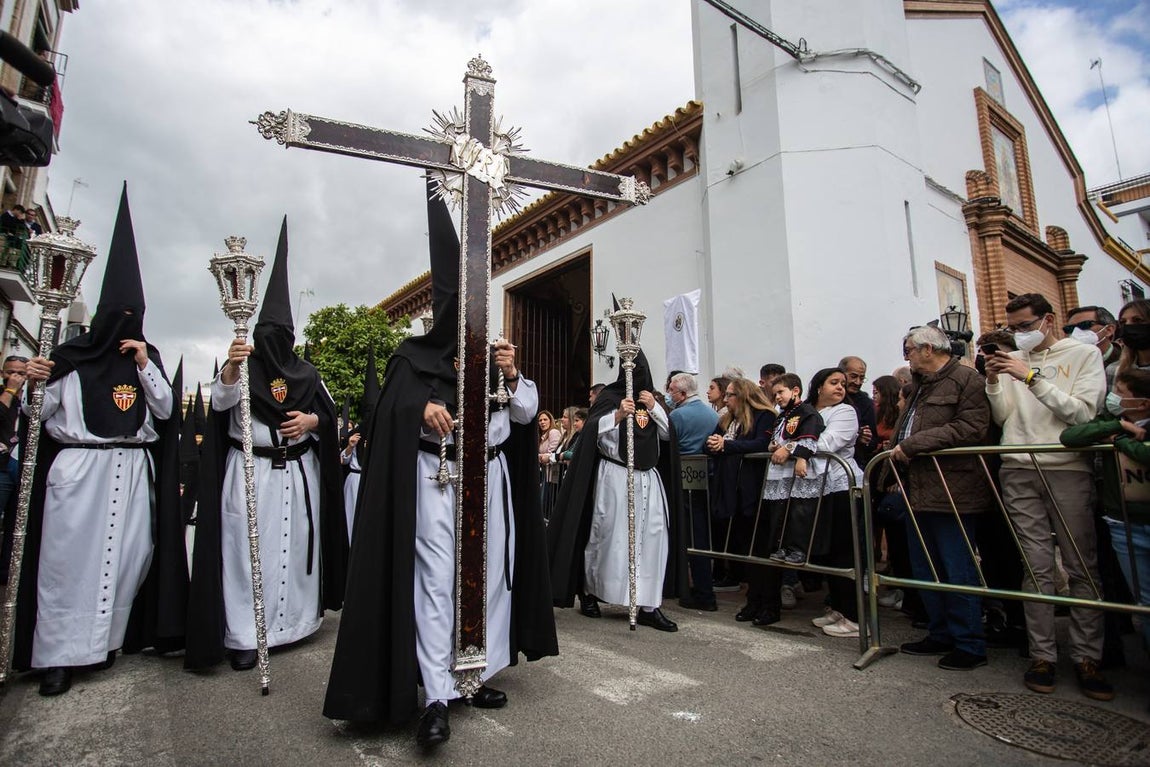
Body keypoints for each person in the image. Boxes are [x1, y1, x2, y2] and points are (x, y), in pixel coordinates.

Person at [323, 188, 556, 747]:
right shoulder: (412, 358)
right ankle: (434, 694)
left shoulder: (493, 359)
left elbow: (525, 414)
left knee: (488, 582)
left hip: (492, 481)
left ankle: (473, 677)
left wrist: (515, 370)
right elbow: (385, 413)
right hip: (436, 482)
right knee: (435, 586)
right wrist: (419, 407)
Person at [12, 187, 184, 696]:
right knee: (68, 562)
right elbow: (39, 417)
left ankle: (106, 642)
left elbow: (166, 411)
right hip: (80, 470)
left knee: (129, 555)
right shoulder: (70, 359)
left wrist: (144, 364)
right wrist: (32, 382)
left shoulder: (145, 359)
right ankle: (57, 656)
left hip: (131, 470)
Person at [186, 219, 347, 673]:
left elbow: (330, 417)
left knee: (294, 549)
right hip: (250, 472)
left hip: (298, 475)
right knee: (244, 550)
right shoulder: (242, 365)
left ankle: (296, 623)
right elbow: (220, 405)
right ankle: (244, 633)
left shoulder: (307, 375)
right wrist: (233, 370)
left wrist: (313, 420)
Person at [984, 292, 1111, 701]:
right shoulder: (1012, 361)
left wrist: (1030, 378)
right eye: (1013, 328)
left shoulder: (1082, 356)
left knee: (1080, 564)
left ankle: (1088, 656)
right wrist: (994, 380)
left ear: (1048, 320)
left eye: (1024, 326)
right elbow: (1004, 416)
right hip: (1019, 465)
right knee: (1035, 565)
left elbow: (1083, 414)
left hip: (1065, 466)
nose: (1019, 334)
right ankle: (1043, 655)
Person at [548, 350, 686, 631]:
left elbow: (667, 436)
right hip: (615, 477)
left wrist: (656, 409)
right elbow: (590, 435)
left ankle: (648, 603)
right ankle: (590, 591)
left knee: (652, 540)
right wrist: (618, 415)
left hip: (648, 479)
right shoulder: (610, 399)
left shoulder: (653, 403)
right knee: (609, 538)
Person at [890, 325, 993, 670]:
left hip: (953, 488)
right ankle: (940, 632)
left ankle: (969, 642)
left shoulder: (967, 380)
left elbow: (971, 427)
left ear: (927, 349)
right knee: (925, 567)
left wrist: (913, 446)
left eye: (908, 350)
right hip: (916, 487)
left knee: (956, 566)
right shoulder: (918, 385)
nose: (906, 357)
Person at [1061, 368, 1150, 665]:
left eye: (1122, 394)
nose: (1114, 398)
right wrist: (1118, 426)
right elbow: (1071, 435)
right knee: (1145, 601)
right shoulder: (1113, 421)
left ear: (1143, 402)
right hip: (1124, 521)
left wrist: (1123, 442)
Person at [704, 376, 783, 622]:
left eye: (730, 395)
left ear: (744, 396)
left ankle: (769, 603)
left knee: (762, 548)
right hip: (732, 490)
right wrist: (715, 444)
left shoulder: (764, 416)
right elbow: (708, 444)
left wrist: (727, 446)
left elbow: (761, 443)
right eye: (725, 395)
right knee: (746, 548)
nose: (725, 400)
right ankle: (753, 601)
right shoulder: (727, 420)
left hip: (755, 489)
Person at [668, 373, 720, 611]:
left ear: (681, 393)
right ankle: (704, 588)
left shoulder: (677, 415)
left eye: (671, 391)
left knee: (689, 535)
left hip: (685, 477)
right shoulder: (712, 413)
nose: (669, 394)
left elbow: (668, 443)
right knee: (703, 535)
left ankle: (699, 592)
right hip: (706, 477)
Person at [342, 347, 380, 544]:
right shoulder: (353, 433)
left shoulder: (383, 432)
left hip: (374, 482)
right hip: (355, 483)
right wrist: (349, 446)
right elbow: (342, 459)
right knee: (351, 524)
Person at [0, 354, 27, 583]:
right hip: (1, 467)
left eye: (21, 373)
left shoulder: (32, 398)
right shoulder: (3, 395)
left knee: (15, 523)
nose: (16, 377)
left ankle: (6, 572)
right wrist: (9, 391)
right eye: (11, 372)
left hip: (21, 465)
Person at [840, 356, 878, 468]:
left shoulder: (865, 403)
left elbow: (873, 441)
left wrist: (864, 440)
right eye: (853, 376)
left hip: (853, 463)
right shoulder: (825, 398)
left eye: (862, 378)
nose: (858, 382)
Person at [1064, 305, 1119, 378]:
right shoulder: (1063, 366)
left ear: (1109, 330)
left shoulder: (1128, 363)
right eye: (1069, 329)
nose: (1075, 332)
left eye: (1085, 325)